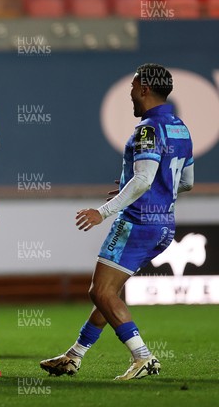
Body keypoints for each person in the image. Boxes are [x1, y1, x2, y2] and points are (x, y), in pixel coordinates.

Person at [40, 63, 194, 380]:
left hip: (136, 223)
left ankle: (143, 357)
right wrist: (141, 187)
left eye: (133, 89)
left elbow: (143, 180)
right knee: (111, 292)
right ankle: (74, 356)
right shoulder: (180, 128)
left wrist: (104, 210)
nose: (131, 96)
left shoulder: (148, 129)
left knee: (101, 292)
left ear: (145, 89)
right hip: (164, 225)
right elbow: (186, 181)